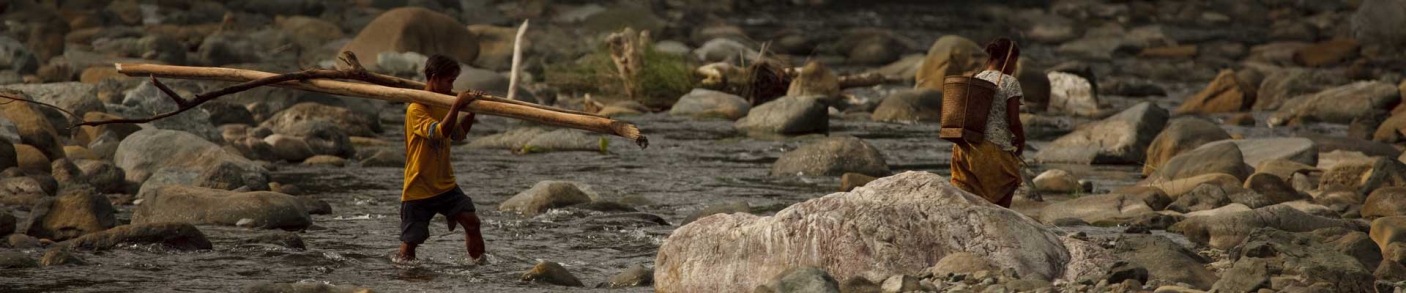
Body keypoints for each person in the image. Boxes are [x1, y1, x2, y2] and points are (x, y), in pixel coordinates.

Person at [395, 54, 486, 262]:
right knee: (411, 243)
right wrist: (457, 105)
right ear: (434, 78)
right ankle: (405, 276)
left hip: (445, 184)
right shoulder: (416, 109)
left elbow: (458, 134)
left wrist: (470, 111)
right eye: (449, 81)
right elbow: (438, 132)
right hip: (419, 187)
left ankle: (481, 267)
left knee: (472, 222)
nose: (451, 86)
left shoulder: (443, 103)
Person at [950, 38, 1026, 208]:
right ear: (1011, 58)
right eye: (1015, 61)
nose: (1014, 67)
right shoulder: (1009, 82)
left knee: (969, 206)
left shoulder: (974, 79)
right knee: (1007, 187)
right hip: (993, 151)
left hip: (965, 149)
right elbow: (1014, 121)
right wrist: (1021, 140)